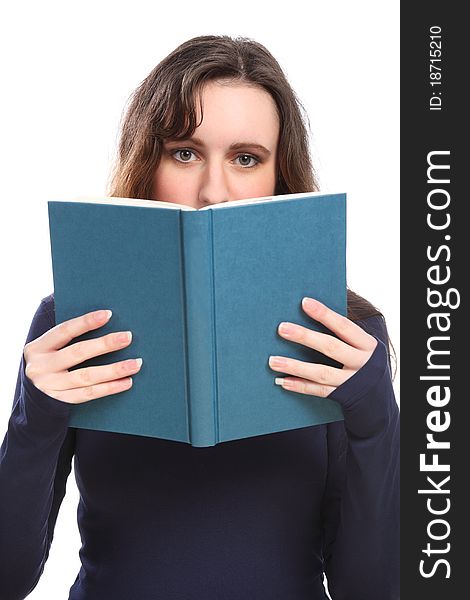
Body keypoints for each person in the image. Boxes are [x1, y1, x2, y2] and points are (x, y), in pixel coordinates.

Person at [0, 35, 399, 599]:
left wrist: (375, 420)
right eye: (184, 152)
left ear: (280, 173)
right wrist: (33, 421)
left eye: (246, 158)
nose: (214, 191)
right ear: (148, 163)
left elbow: (371, 589)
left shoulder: (344, 337)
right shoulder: (72, 325)